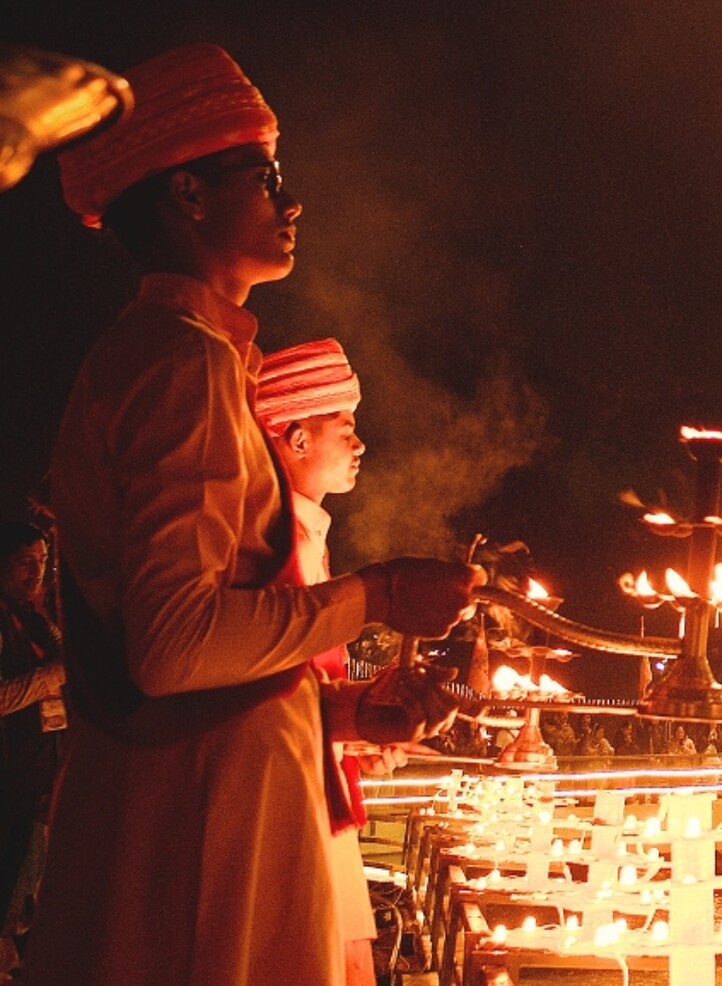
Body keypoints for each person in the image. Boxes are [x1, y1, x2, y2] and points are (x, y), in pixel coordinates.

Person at [28, 44, 480, 986]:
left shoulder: (196, 358)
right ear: (188, 194)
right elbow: (173, 647)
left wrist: (346, 711)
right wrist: (381, 593)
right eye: (266, 175)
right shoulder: (177, 362)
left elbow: (199, 658)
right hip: (196, 836)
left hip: (213, 811)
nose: (291, 201)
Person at [251, 338, 386, 984]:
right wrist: (359, 719)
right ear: (297, 437)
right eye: (346, 427)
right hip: (294, 807)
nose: (359, 445)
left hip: (314, 786)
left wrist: (360, 732)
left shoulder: (307, 535)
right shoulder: (277, 543)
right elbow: (278, 691)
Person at [0, 522, 63, 966]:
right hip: (11, 776)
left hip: (44, 773)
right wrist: (57, 674)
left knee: (32, 878)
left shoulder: (35, 619)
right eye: (26, 562)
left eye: (42, 562)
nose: (36, 572)